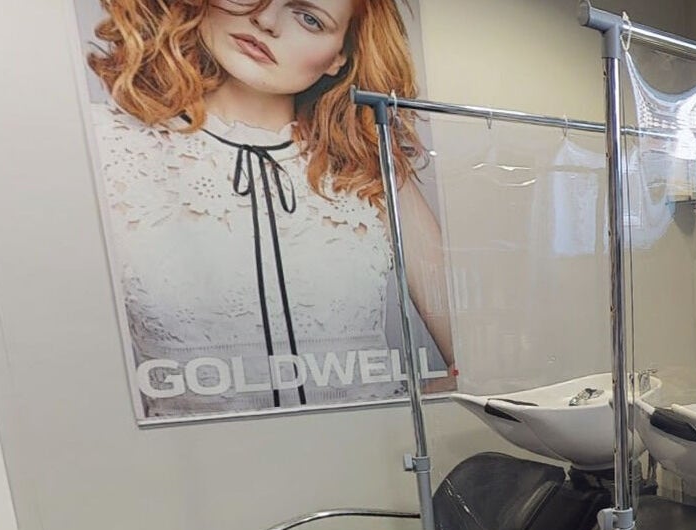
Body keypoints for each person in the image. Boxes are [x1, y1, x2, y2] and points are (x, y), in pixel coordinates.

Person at [87, 0, 455, 418]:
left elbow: (481, 358)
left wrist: (395, 431)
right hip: (185, 476)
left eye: (309, 18)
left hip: (369, 468)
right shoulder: (104, 144)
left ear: (339, 56)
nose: (265, 20)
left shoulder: (368, 167)